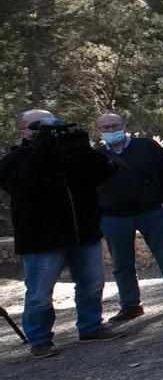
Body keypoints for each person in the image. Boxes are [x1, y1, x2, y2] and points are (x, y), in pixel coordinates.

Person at [0, 110, 124, 357]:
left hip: (83, 232)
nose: (49, 131)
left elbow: (107, 172)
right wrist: (41, 153)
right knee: (40, 293)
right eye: (40, 127)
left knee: (91, 284)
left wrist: (83, 149)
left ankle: (91, 326)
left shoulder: (71, 154)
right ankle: (40, 339)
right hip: (42, 239)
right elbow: (21, 186)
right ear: (23, 131)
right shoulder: (14, 159)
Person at [94, 110, 163, 320]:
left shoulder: (148, 147)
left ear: (124, 126)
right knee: (122, 264)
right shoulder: (96, 157)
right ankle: (130, 305)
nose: (111, 130)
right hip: (114, 217)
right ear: (98, 130)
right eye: (106, 127)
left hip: (152, 212)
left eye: (115, 125)